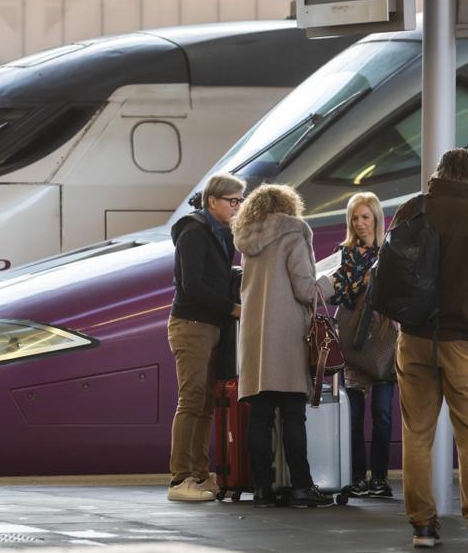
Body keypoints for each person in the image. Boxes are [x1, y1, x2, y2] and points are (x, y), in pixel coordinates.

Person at [384, 149, 468, 550]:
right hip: (463, 342)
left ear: (439, 175)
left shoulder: (413, 208)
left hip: (414, 339)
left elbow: (393, 265)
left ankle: (422, 527)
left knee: (417, 434)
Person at [232, 183, 334, 509]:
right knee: (293, 415)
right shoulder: (295, 234)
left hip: (254, 338)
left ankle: (262, 489)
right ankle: (301, 487)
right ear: (290, 206)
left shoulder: (248, 241)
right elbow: (305, 290)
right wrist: (332, 281)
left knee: (259, 416)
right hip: (287, 336)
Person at [166, 172, 245, 502]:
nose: (237, 208)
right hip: (192, 325)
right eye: (232, 201)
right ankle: (179, 479)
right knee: (191, 400)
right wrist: (232, 309)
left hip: (211, 327)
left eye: (240, 201)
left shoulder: (221, 233)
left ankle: (199, 474)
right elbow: (193, 285)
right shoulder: (194, 231)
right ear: (212, 201)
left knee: (206, 404)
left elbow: (215, 276)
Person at [320, 191, 395, 500]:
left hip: (385, 337)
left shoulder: (390, 252)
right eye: (354, 217)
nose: (360, 223)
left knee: (383, 413)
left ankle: (379, 477)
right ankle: (355, 476)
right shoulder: (343, 253)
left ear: (376, 218)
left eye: (365, 217)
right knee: (353, 414)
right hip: (353, 338)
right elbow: (337, 294)